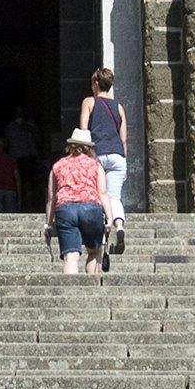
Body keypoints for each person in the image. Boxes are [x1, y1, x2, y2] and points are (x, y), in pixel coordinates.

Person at [79, 67, 131, 262]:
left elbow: (84, 132)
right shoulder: (119, 107)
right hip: (118, 155)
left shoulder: (89, 102)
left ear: (96, 84)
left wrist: (84, 157)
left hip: (97, 154)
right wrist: (124, 160)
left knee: (98, 195)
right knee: (114, 197)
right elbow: (124, 139)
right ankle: (119, 226)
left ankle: (101, 234)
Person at [47, 135, 109, 274]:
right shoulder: (95, 165)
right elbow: (103, 193)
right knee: (94, 251)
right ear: (89, 148)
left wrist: (49, 224)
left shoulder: (58, 165)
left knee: (71, 256)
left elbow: (51, 198)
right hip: (91, 207)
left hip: (65, 208)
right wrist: (110, 218)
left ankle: (71, 292)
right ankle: (92, 290)